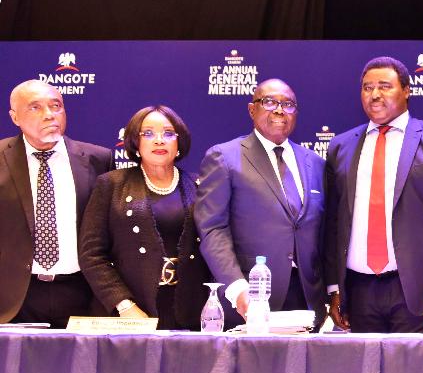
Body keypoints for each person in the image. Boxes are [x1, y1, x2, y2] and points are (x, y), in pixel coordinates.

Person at [323, 56, 423, 333]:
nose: (375, 94)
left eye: (385, 86)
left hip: (420, 291)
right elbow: (333, 223)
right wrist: (334, 288)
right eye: (367, 88)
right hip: (358, 291)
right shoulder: (340, 146)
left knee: (417, 364)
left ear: (407, 91)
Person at [195, 78, 327, 329]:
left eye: (288, 104)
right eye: (269, 102)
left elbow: (325, 233)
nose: (279, 110)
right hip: (250, 296)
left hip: (307, 299)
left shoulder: (315, 163)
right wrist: (238, 289)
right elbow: (212, 229)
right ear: (251, 109)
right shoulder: (224, 157)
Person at [79, 106, 211, 330]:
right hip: (129, 312)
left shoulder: (200, 186)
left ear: (179, 142)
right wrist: (124, 306)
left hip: (188, 311)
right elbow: (91, 255)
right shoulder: (111, 184)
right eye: (148, 133)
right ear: (135, 142)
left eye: (168, 133)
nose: (159, 140)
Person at [0, 79, 113, 327]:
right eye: (35, 107)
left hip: (82, 293)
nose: (49, 115)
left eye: (56, 106)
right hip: (13, 297)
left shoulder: (98, 159)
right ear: (15, 117)